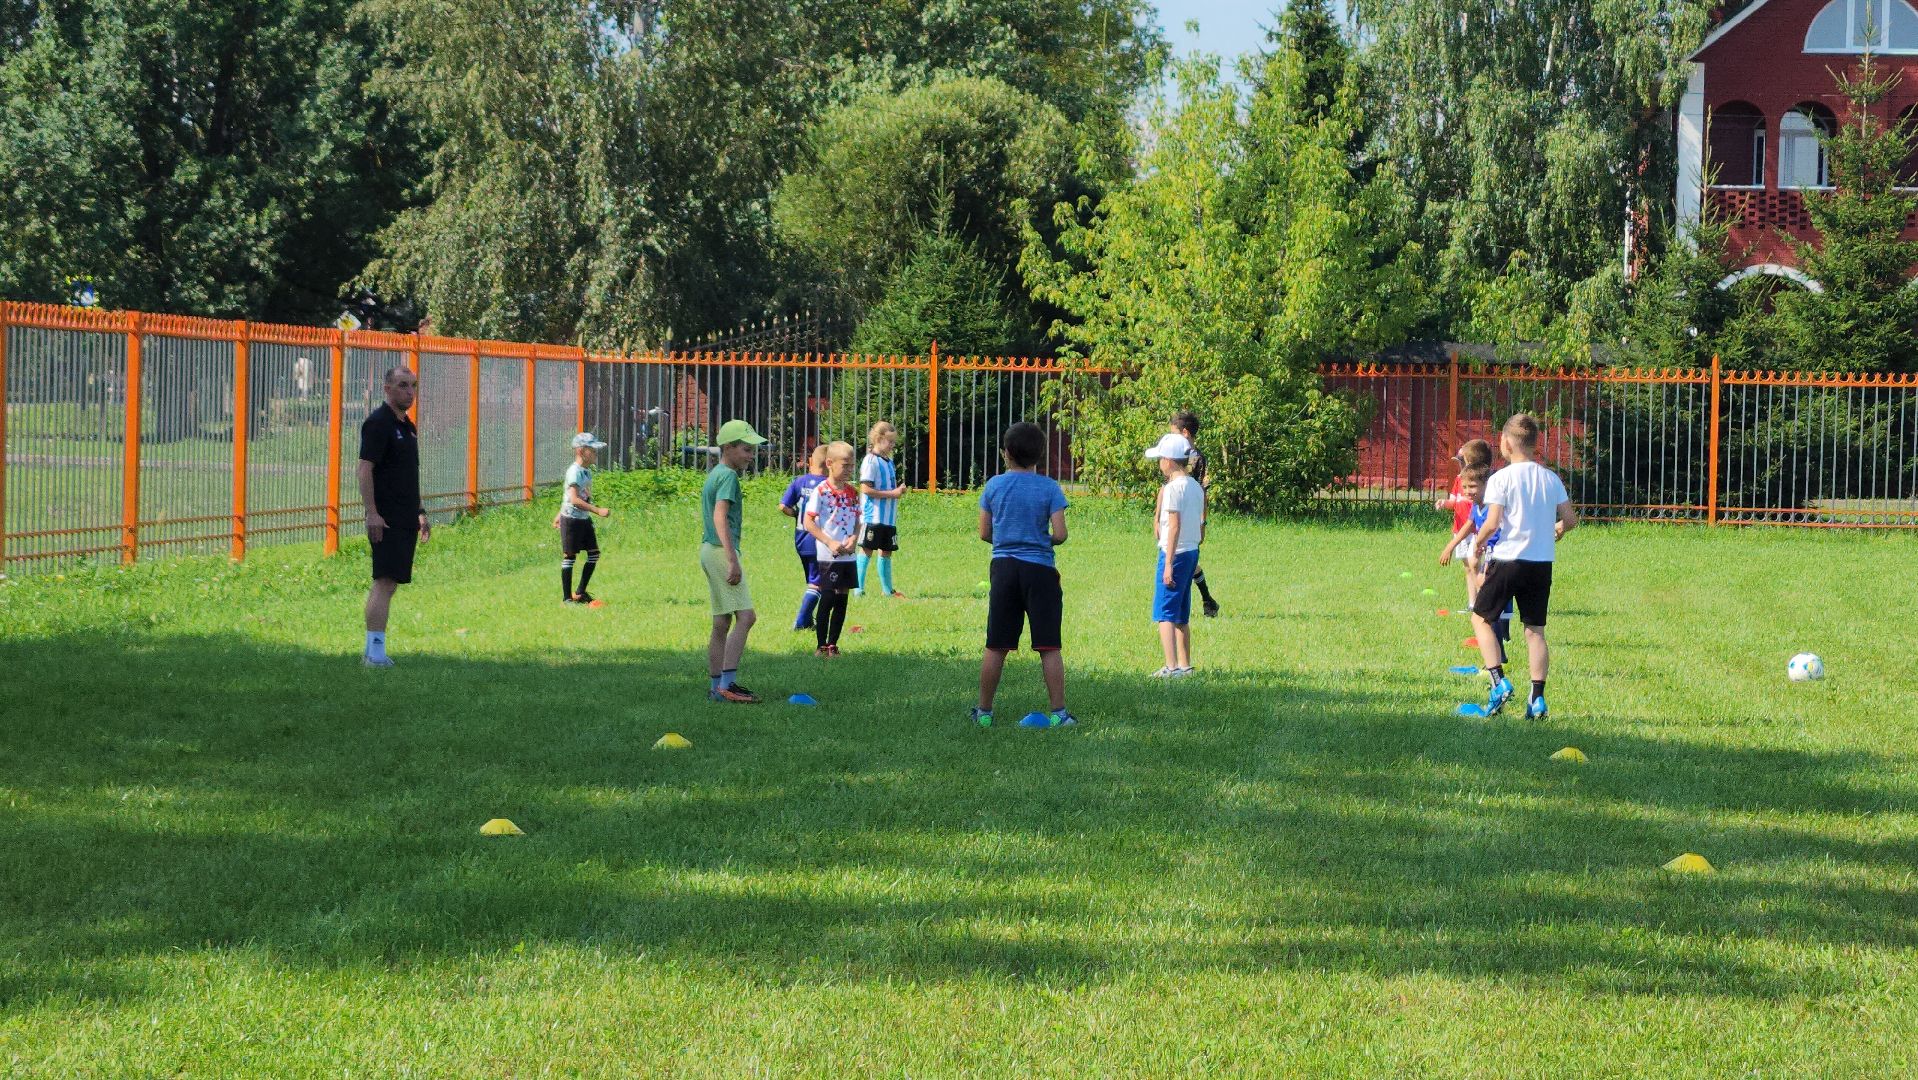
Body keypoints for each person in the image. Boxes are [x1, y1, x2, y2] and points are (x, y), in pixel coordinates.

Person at [1466, 413, 1577, 719]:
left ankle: (1498, 683)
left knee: (1481, 618)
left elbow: (1492, 523)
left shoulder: (1501, 478)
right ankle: (1537, 699)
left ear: (1506, 443)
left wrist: (1477, 546)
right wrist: (1558, 529)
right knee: (1535, 631)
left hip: (1508, 560)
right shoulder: (1551, 478)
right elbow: (1570, 520)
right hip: (1540, 564)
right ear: (1534, 443)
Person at [972, 421, 1073, 729]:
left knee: (996, 644)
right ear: (1040, 455)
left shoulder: (994, 486)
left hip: (1004, 569)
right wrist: (1041, 540)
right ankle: (1059, 714)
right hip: (1040, 571)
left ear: (1006, 453)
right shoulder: (1049, 488)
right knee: (1049, 645)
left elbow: (984, 532)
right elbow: (1060, 534)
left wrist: (1007, 540)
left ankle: (984, 712)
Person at [357, 367, 430, 667]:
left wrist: (419, 511)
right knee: (384, 581)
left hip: (405, 517)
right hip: (386, 518)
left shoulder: (407, 426)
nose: (410, 392)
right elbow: (364, 469)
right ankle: (375, 654)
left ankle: (372, 652)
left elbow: (408, 475)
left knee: (391, 583)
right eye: (402, 385)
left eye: (413, 385)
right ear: (387, 389)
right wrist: (372, 513)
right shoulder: (379, 423)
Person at [701, 419, 768, 704]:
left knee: (721, 621)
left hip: (709, 549)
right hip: (720, 551)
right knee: (746, 617)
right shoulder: (728, 476)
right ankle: (726, 686)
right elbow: (720, 517)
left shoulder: (716, 473)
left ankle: (716, 688)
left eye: (753, 450)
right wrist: (732, 559)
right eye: (746, 449)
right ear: (728, 448)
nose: (751, 456)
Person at [1438, 462, 1510, 668]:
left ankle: (1495, 660)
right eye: (1464, 487)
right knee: (1489, 611)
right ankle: (1499, 653)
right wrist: (1450, 546)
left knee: (1486, 612)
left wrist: (1481, 548)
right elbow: (1468, 526)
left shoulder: (1492, 508)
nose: (1467, 491)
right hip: (1490, 559)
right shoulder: (1476, 507)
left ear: (1486, 484)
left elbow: (1493, 530)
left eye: (1473, 486)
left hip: (1499, 560)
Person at [1146, 432, 1205, 678]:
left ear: (1168, 461)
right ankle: (1185, 665)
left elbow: (1174, 525)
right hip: (1191, 552)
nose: (1159, 463)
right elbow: (1199, 524)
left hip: (1175, 553)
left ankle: (1170, 667)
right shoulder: (1195, 487)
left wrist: (1168, 563)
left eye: (1160, 458)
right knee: (1181, 612)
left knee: (1165, 613)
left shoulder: (1172, 488)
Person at [802, 442, 862, 657]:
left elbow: (858, 521)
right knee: (827, 597)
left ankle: (833, 644)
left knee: (842, 599)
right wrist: (829, 542)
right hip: (828, 555)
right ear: (829, 463)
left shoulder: (853, 492)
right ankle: (821, 645)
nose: (849, 470)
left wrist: (854, 539)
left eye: (852, 465)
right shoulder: (821, 491)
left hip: (848, 556)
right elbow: (809, 522)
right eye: (845, 465)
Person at [1170, 411, 1220, 618]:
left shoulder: (1198, 458)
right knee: (1183, 559)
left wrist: (1202, 522)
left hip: (1189, 516)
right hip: (1174, 513)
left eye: (1173, 433)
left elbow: (1203, 492)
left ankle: (1188, 604)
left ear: (1185, 433)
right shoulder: (1174, 454)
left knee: (1185, 559)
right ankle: (1208, 600)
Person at [553, 432, 612, 606]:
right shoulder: (574, 472)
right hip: (572, 519)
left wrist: (558, 514)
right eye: (592, 450)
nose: (595, 453)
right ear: (581, 451)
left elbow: (570, 496)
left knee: (594, 554)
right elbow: (574, 499)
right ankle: (567, 599)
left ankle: (580, 593)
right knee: (569, 556)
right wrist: (597, 510)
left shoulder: (586, 471)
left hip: (583, 518)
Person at [779, 445, 830, 630]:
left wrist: (795, 514)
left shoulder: (799, 482)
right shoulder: (828, 486)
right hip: (819, 540)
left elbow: (783, 506)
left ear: (810, 462)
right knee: (818, 583)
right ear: (830, 465)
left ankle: (808, 622)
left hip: (801, 539)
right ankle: (801, 622)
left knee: (812, 580)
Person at [856, 420, 906, 597]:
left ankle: (887, 590)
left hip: (888, 517)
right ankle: (858, 589)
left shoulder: (889, 461)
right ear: (878, 439)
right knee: (867, 549)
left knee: (886, 551)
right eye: (890, 441)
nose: (892, 445)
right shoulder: (871, 461)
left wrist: (898, 491)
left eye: (893, 442)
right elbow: (865, 489)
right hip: (873, 516)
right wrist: (893, 493)